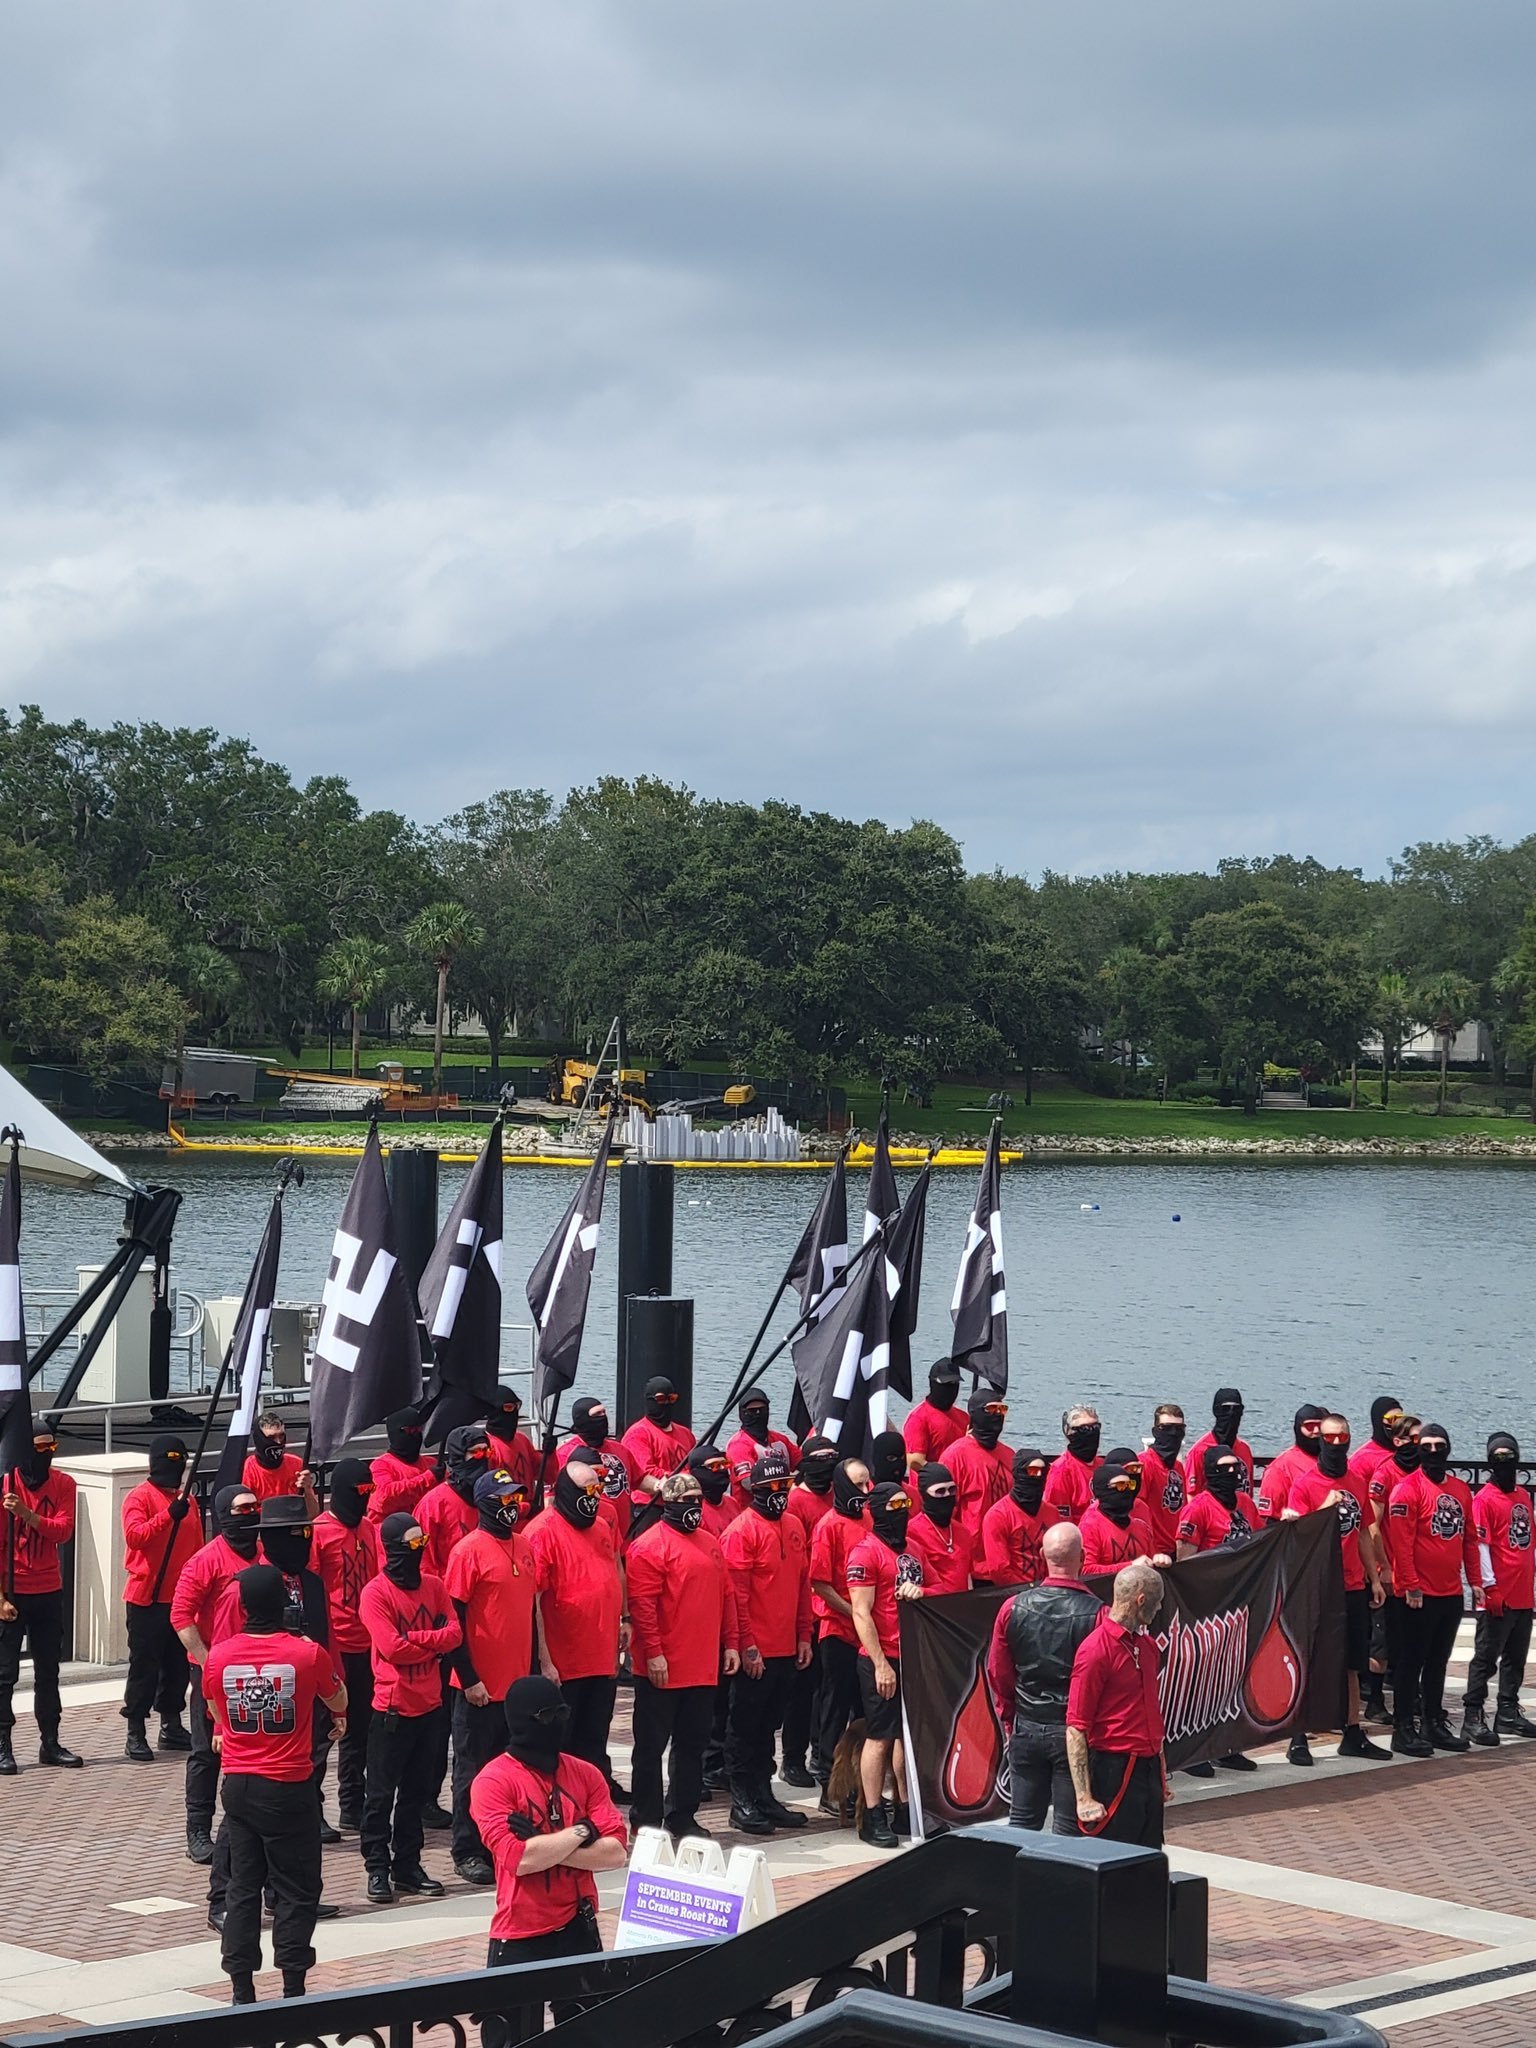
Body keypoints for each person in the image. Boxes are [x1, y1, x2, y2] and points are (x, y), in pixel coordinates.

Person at [204, 1564, 347, 2005]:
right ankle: (292, 1990)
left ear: (243, 1607)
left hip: (241, 1787)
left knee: (243, 1888)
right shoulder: (307, 1654)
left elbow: (215, 1709)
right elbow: (338, 1699)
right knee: (297, 1890)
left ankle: (241, 1990)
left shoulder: (220, 1656)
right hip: (289, 1786)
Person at [469, 1676, 627, 2048]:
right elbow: (519, 1860)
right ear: (523, 1721)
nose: (558, 1722)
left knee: (587, 2038)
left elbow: (616, 1852)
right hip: (521, 1932)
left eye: (563, 1712)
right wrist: (584, 1830)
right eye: (547, 1715)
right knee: (510, 2040)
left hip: (578, 1925)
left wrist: (553, 1841)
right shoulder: (492, 1781)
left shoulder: (585, 1773)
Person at [626, 1468, 741, 1839]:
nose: (694, 1507)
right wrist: (654, 1653)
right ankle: (645, 1817)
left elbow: (726, 1596)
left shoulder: (710, 1542)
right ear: (667, 1505)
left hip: (703, 1665)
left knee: (691, 1746)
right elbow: (642, 1606)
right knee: (650, 1747)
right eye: (685, 1502)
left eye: (697, 1501)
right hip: (661, 1666)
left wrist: (732, 1643)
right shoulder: (648, 1545)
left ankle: (682, 1814)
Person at [357, 1512, 461, 1903]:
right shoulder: (376, 1593)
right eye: (413, 1544)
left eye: (423, 1543)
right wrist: (430, 1639)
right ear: (395, 1547)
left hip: (430, 1705)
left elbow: (454, 1634)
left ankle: (408, 1865)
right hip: (392, 1708)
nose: (420, 1550)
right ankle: (377, 1867)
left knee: (416, 1795)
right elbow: (390, 1648)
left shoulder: (434, 1586)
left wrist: (417, 1637)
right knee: (381, 1795)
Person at [445, 1468, 538, 1885]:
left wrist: (540, 1668)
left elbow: (530, 1610)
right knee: (473, 1768)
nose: (512, 1506)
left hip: (517, 1684)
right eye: (503, 1499)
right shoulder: (467, 1551)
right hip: (479, 1686)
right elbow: (454, 1621)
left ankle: (503, 1841)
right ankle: (467, 1849)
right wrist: (469, 1678)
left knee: (512, 1770)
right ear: (484, 1504)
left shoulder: (524, 1544)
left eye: (516, 1498)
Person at [1284, 1414, 1392, 1763]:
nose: (1335, 1444)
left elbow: (1362, 1531)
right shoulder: (1304, 1483)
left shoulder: (1357, 1480)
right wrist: (1323, 1509)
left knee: (1352, 1661)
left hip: (1352, 1583)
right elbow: (1298, 1535)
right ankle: (1297, 1735)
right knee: (1310, 1659)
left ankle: (1352, 1730)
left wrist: (1374, 1578)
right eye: (1328, 1439)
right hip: (1318, 1584)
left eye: (1341, 1438)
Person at [986, 1522, 1101, 1831]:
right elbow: (1103, 1681)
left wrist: (1011, 1717)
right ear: (1083, 1556)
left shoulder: (1013, 1608)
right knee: (1067, 1828)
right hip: (1073, 1731)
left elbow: (998, 1672)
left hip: (1028, 1723)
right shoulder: (1097, 1613)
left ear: (1042, 1555)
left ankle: (1018, 1879)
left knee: (1022, 1823)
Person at [1384, 1423, 1490, 1756]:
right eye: (1425, 1446)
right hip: (1417, 1594)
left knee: (1438, 1662)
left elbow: (1470, 1539)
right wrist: (1411, 1585)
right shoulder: (1406, 1489)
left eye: (1438, 1445)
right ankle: (1404, 1728)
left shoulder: (1460, 1489)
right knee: (1410, 1660)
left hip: (1449, 1592)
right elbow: (1401, 1544)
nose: (1432, 1452)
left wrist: (1475, 1581)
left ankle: (1433, 1721)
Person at [721, 1458, 813, 1835]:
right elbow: (736, 1596)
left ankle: (763, 1792)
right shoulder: (741, 1531)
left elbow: (802, 1584)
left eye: (785, 1488)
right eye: (772, 1490)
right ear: (756, 1492)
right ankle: (741, 1797)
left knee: (769, 1725)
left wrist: (804, 1634)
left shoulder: (793, 1526)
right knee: (744, 1726)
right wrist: (747, 1645)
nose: (779, 1496)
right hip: (756, 1648)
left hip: (787, 1646)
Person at [526, 1449, 626, 1787]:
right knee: (563, 1741)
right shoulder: (541, 1531)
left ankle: (598, 1792)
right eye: (586, 1492)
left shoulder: (601, 1526)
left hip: (601, 1654)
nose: (592, 1499)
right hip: (564, 1662)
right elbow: (534, 1600)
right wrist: (544, 1660)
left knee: (596, 1735)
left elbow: (614, 1567)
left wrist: (624, 1618)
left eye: (597, 1491)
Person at [173, 1485, 261, 1864]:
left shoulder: (266, 1554)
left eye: (255, 1508)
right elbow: (180, 1617)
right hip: (212, 1672)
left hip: (257, 1669)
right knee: (207, 1751)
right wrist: (209, 1662)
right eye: (243, 1509)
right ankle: (198, 1828)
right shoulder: (204, 1561)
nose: (251, 1514)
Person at [1065, 1559, 1170, 1848]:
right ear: (1140, 1600)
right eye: (1157, 1602)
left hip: (1146, 1767)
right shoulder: (1096, 1650)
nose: (1159, 1608)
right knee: (1117, 1856)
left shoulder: (1147, 1647)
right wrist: (1084, 1797)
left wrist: (1159, 1773)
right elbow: (1076, 1727)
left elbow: (1150, 1713)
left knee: (1150, 1853)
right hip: (1113, 1768)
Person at [846, 1480, 923, 1848]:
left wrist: (924, 1591)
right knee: (879, 1737)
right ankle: (872, 1813)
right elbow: (861, 1613)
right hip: (881, 1657)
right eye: (893, 1506)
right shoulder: (864, 1553)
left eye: (905, 1504)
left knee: (906, 1738)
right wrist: (880, 1663)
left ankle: (906, 1806)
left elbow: (940, 1589)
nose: (901, 1512)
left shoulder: (914, 1550)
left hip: (913, 1656)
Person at [0, 1426, 80, 1775]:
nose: (46, 1455)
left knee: (49, 1672)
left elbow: (62, 1531)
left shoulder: (64, 1484)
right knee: (5, 1676)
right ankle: (3, 1744)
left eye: (52, 1448)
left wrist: (27, 1515)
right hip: (12, 1591)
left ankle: (50, 1741)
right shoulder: (5, 1486)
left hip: (48, 1588)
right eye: (39, 1448)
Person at [120, 1433, 202, 1763]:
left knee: (177, 1666)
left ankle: (171, 1724)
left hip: (180, 1598)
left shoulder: (189, 1500)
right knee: (145, 1666)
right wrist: (169, 1514)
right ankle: (135, 1730)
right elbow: (135, 1536)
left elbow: (197, 1548)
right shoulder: (139, 1498)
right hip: (147, 1597)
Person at [310, 1458, 379, 1833]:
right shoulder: (320, 1532)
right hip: (333, 1644)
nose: (364, 1501)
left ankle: (353, 1804)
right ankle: (313, 1808)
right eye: (359, 1494)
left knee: (360, 1730)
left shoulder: (368, 1528)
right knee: (323, 1731)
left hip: (366, 1644)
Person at [1464, 1433, 1536, 1746]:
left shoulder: (1522, 1495)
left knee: (1515, 1657)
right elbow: (1480, 1545)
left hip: (1523, 1593)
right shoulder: (1483, 1500)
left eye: (1510, 1457)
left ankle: (1507, 1709)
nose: (1504, 1463)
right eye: (1498, 1457)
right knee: (1486, 1656)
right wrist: (1487, 1587)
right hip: (1498, 1595)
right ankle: (1473, 1714)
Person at [808, 1458, 871, 1805]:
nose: (866, 1492)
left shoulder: (869, 1518)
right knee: (835, 1705)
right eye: (859, 1485)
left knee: (864, 1710)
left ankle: (861, 1781)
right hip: (837, 1628)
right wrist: (855, 1612)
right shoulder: (827, 1526)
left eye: (867, 1485)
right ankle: (828, 1784)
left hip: (868, 1632)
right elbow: (819, 1582)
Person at [780, 1435, 837, 1788]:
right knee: (801, 1692)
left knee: (827, 1691)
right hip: (806, 1607)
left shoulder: (835, 1497)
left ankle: (822, 1752)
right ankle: (792, 1757)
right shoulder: (795, 1502)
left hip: (832, 1609)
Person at [1350, 1395, 1405, 1725]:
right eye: (1388, 1418)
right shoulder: (1363, 1460)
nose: (1392, 1423)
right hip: (1379, 1561)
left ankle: (1394, 1682)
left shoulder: (1402, 1454)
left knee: (1399, 1633)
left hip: (1405, 1562)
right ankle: (1372, 1696)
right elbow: (1366, 1521)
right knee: (1377, 1636)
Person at [558, 1398, 639, 1538]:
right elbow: (553, 1496)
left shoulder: (620, 1449)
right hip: (587, 1534)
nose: (603, 1418)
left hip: (622, 1534)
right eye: (596, 1415)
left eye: (604, 1413)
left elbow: (640, 1479)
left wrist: (659, 1484)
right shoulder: (565, 1453)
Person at [980, 1448, 1061, 1586]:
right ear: (1019, 1473)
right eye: (1033, 1471)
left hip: (1049, 1590)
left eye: (1043, 1472)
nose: (1038, 1476)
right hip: (1015, 1593)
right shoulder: (998, 1516)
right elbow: (999, 1570)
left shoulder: (1053, 1513)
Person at [946, 1389, 1014, 1543]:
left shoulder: (1009, 1455)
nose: (997, 1414)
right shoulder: (955, 1456)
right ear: (976, 1414)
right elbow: (946, 1512)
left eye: (1002, 1409)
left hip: (1004, 1550)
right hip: (971, 1552)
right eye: (991, 1409)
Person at [620, 1375, 697, 1507]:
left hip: (683, 1502)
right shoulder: (638, 1434)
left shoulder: (686, 1433)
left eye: (671, 1399)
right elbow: (643, 1472)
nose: (666, 1403)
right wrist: (684, 1478)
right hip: (649, 1504)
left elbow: (695, 1464)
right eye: (661, 1399)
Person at [1079, 1461, 1167, 1576]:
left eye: (1130, 1485)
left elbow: (1151, 1558)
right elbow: (1085, 1571)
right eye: (1120, 1486)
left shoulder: (1141, 1527)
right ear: (1103, 1490)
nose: (1127, 1491)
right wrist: (1130, 1566)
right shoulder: (1090, 1527)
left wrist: (1160, 1560)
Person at [905, 1462, 974, 1593]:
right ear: (924, 1495)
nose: (947, 1495)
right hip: (931, 1606)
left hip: (962, 1605)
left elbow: (967, 1576)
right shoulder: (911, 1532)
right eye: (940, 1491)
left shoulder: (962, 1531)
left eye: (952, 1490)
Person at [724, 1391, 800, 1508]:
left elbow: (802, 1462)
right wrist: (787, 1486)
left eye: (761, 1410)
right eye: (752, 1411)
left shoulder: (780, 1440)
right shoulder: (738, 1445)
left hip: (782, 1507)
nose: (758, 1414)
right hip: (748, 1511)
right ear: (742, 1414)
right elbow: (748, 1483)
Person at [1256, 1405, 1326, 1522]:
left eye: (1320, 1426)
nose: (1316, 1431)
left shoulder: (1331, 1462)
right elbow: (1268, 1519)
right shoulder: (1279, 1468)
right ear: (1298, 1428)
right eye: (1309, 1426)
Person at [242, 1413, 319, 1516]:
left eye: (281, 1436)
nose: (278, 1442)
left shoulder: (296, 1464)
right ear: (259, 1439)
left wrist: (307, 1490)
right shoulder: (248, 1469)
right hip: (264, 1529)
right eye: (271, 1437)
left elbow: (313, 1514)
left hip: (294, 1527)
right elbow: (244, 1515)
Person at [1137, 1405, 1188, 1559]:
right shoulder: (1144, 1464)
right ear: (1156, 1431)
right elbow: (1137, 1511)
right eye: (1167, 1428)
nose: (1173, 1434)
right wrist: (1152, 1551)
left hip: (1177, 1548)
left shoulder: (1178, 1466)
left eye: (1179, 1428)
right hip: (1155, 1552)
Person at [368, 1409, 436, 1523]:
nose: (416, 1434)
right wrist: (427, 1479)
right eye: (410, 1430)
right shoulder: (380, 1465)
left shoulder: (431, 1464)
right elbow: (384, 1499)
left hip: (426, 1534)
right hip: (391, 1536)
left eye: (419, 1429)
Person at [1184, 1389, 1254, 1496]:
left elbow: (1249, 1491)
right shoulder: (1199, 1451)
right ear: (1216, 1411)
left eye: (1237, 1409)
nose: (1231, 1413)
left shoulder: (1245, 1450)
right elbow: (1191, 1495)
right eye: (1225, 1409)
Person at [902, 1358, 967, 1467]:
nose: (950, 1389)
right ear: (932, 1383)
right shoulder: (918, 1418)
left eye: (954, 1383)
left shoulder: (964, 1417)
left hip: (958, 1481)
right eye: (945, 1384)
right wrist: (942, 1476)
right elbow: (915, 1461)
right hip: (929, 1482)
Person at [1043, 1406, 1102, 1523]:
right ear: (1070, 1433)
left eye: (1095, 1427)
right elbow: (1057, 1520)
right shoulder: (1061, 1471)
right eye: (1084, 1428)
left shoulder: (1103, 1466)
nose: (1091, 1432)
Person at [484, 1388, 539, 1496]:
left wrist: (549, 1454)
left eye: (517, 1406)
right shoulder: (486, 1446)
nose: (514, 1412)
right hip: (503, 1508)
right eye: (509, 1407)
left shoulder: (522, 1440)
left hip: (530, 1504)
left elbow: (547, 1475)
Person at [687, 1441, 738, 1540]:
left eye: (724, 1464)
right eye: (714, 1466)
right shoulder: (694, 1512)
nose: (722, 1470)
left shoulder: (733, 1503)